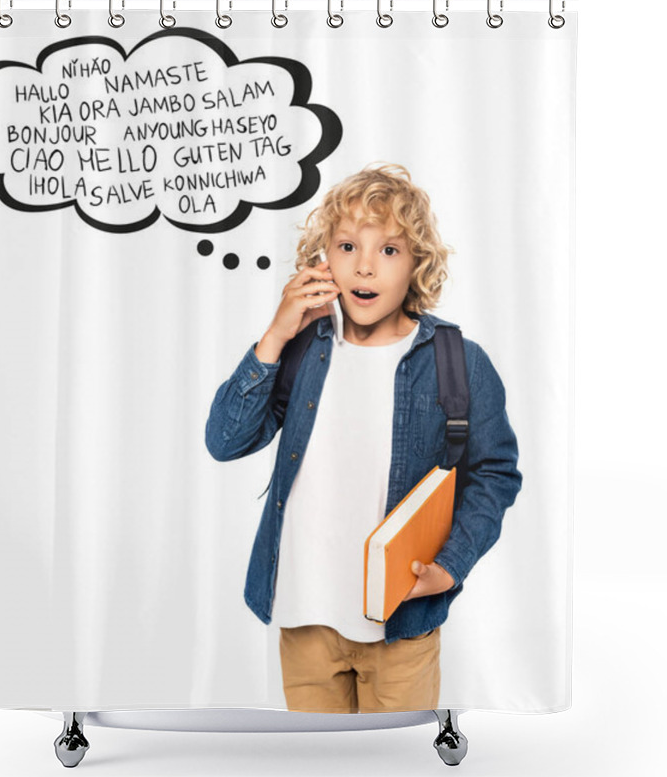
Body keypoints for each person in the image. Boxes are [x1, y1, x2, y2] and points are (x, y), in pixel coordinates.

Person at [205, 163, 522, 713]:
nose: (366, 266)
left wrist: (452, 563)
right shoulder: (302, 350)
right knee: (319, 763)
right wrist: (278, 333)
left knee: (390, 762)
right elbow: (225, 441)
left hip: (401, 623)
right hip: (304, 616)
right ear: (322, 257)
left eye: (390, 250)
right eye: (348, 246)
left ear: (417, 264)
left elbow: (494, 474)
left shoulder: (459, 362)